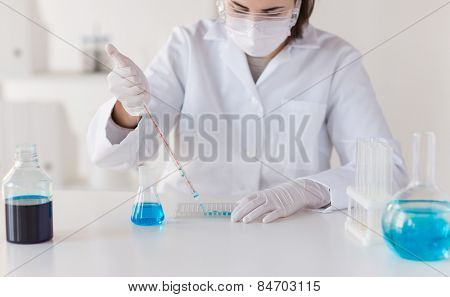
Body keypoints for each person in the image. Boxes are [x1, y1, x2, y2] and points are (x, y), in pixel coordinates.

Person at [87, 0, 408, 223]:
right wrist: (127, 109)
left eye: (271, 12)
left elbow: (387, 171)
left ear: (298, 8)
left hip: (293, 229)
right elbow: (116, 158)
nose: (253, 26)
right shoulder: (187, 45)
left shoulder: (336, 58)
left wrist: (308, 190)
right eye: (239, 9)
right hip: (191, 226)